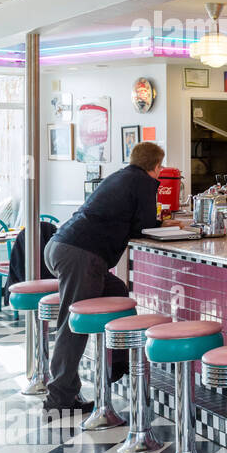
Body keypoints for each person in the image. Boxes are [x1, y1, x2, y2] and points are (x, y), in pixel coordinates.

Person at [44, 142, 173, 412]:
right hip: (81, 254)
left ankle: (117, 360)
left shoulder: (120, 175)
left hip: (61, 245)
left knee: (116, 290)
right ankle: (59, 397)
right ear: (157, 166)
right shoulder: (145, 182)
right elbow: (145, 226)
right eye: (160, 167)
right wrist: (165, 223)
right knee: (72, 325)